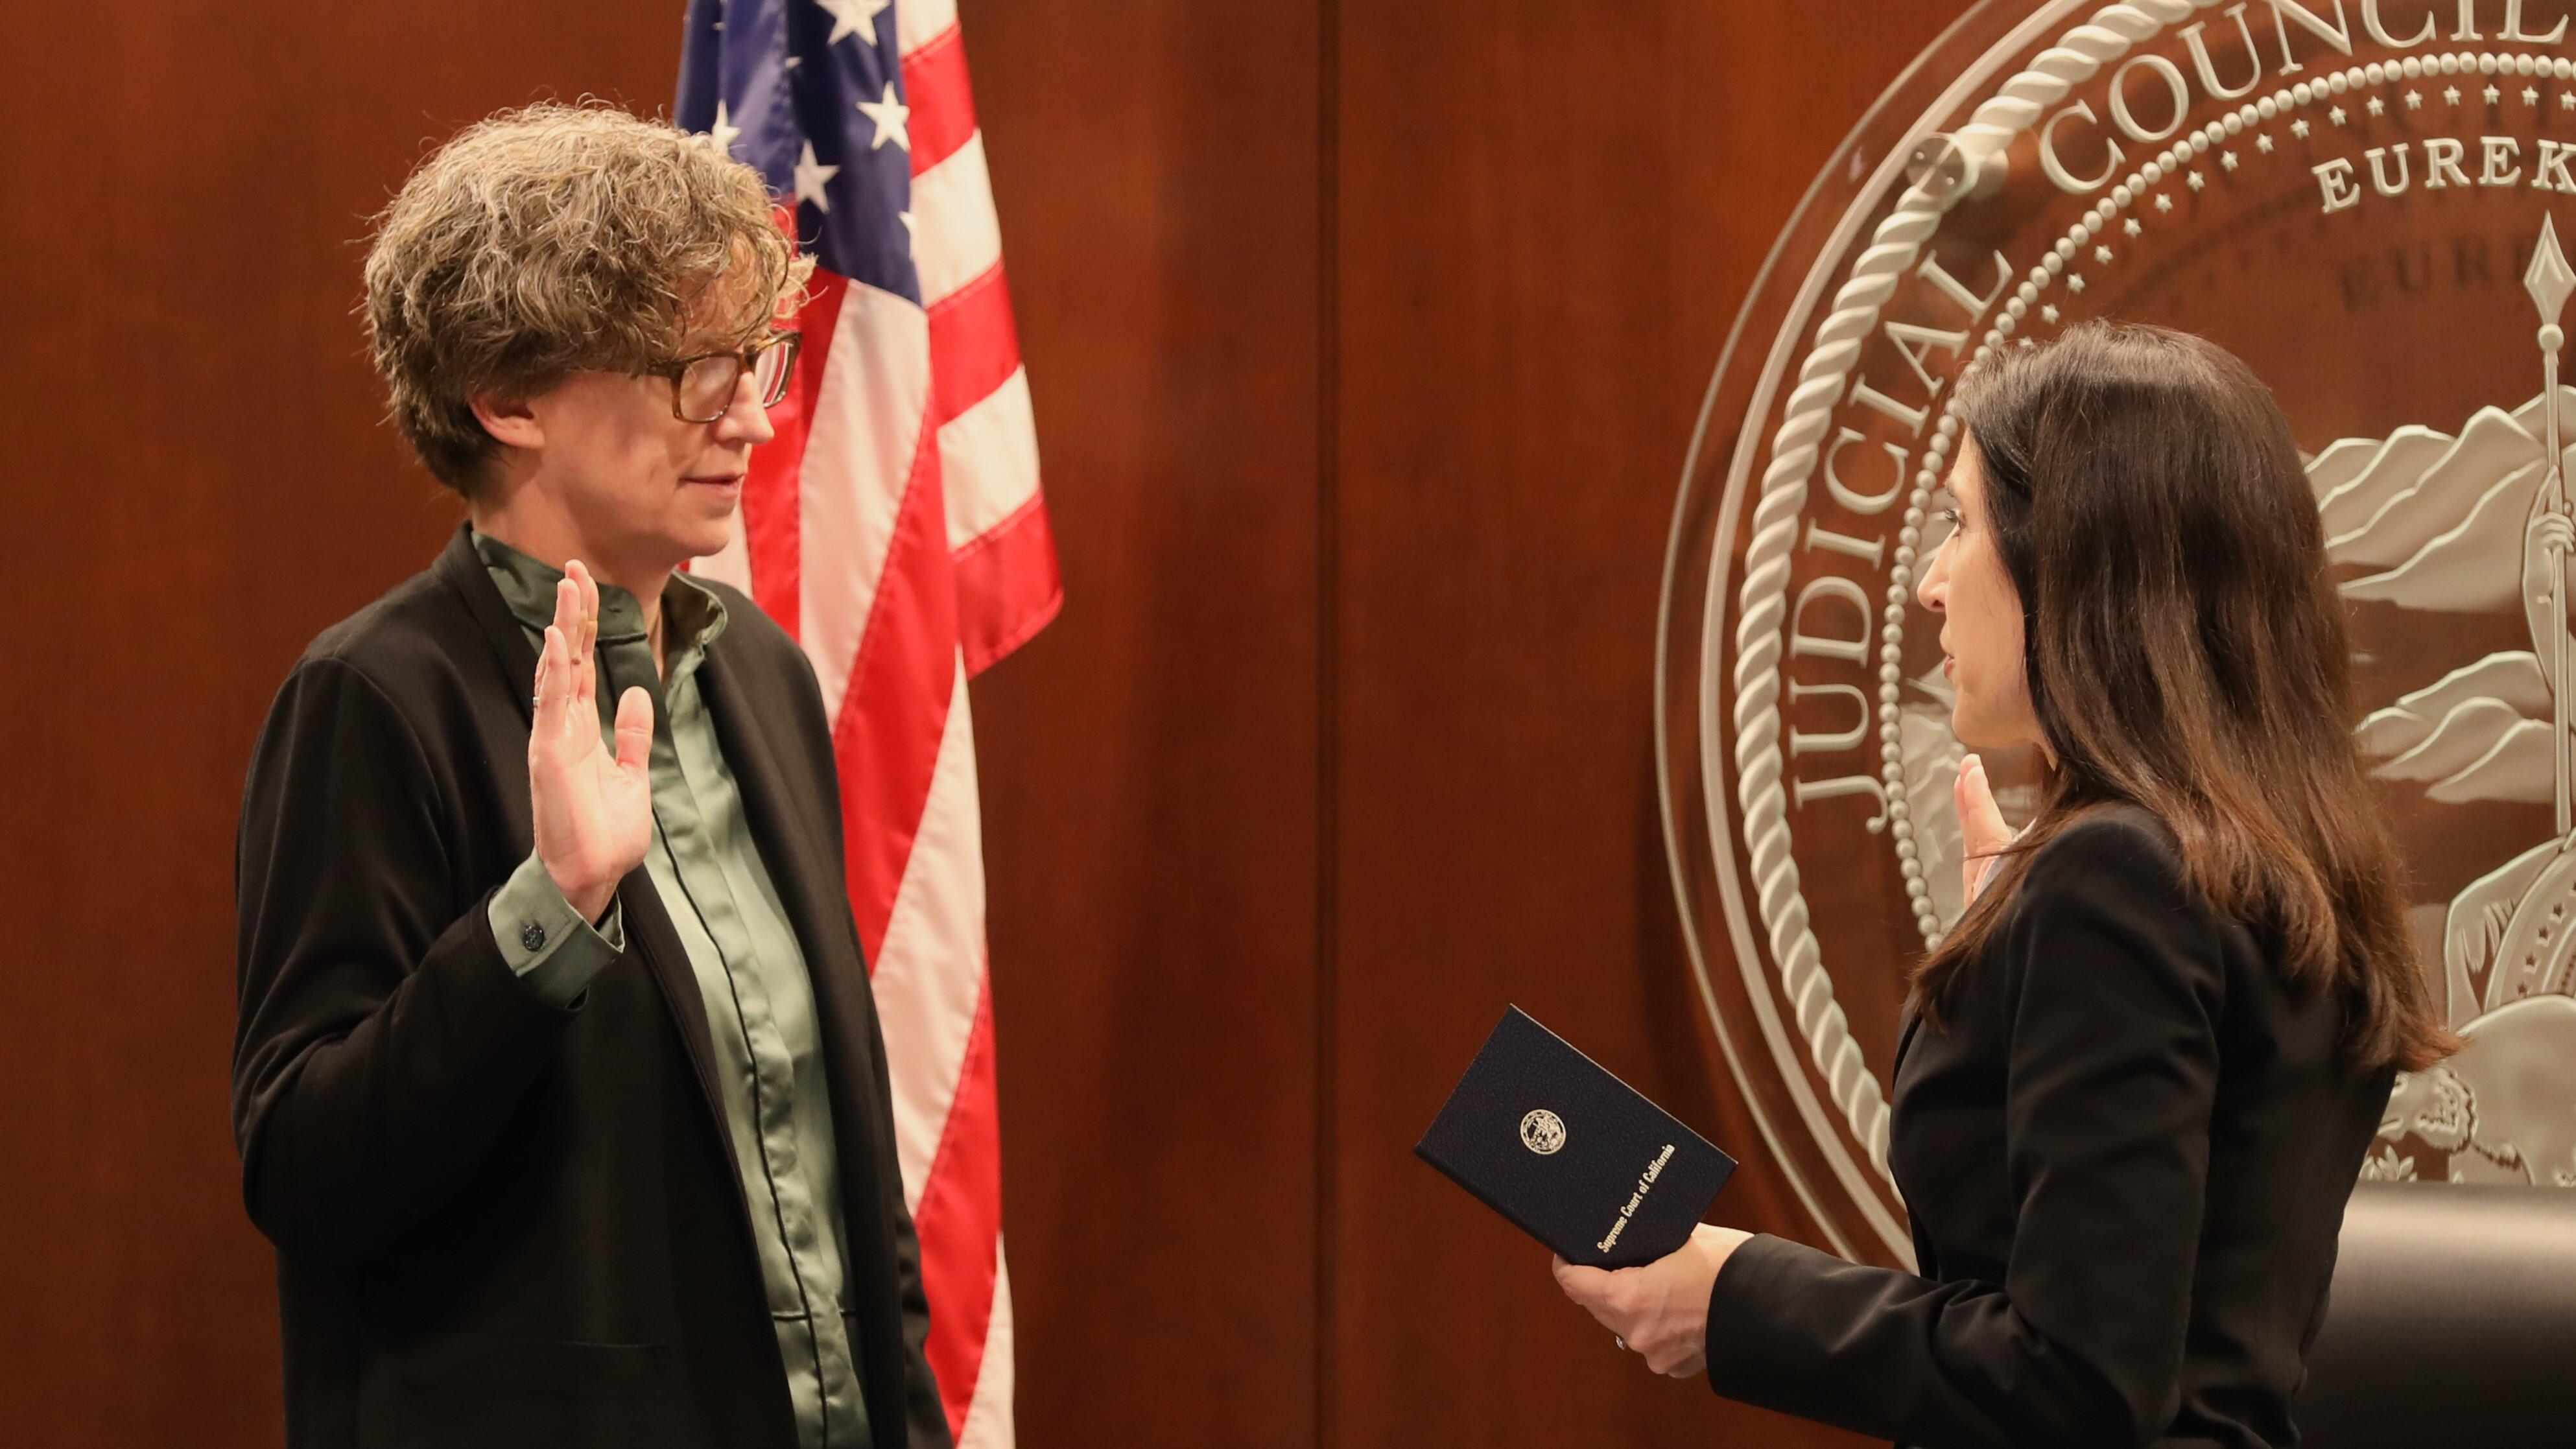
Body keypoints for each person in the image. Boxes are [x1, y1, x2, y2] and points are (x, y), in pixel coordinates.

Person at [1554, 322, 2459, 1448]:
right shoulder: (2267, 863)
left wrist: (1728, 1301)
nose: (1931, 585)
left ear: (2075, 560)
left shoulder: (2118, 880)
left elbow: (2073, 1389)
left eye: (1956, 525)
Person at [231, 104, 948, 1449]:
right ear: (506, 397)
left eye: (759, 360)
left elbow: (834, 1168)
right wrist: (550, 907)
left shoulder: (764, 682)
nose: (749, 413)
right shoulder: (377, 697)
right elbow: (306, 1167)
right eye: (693, 369)